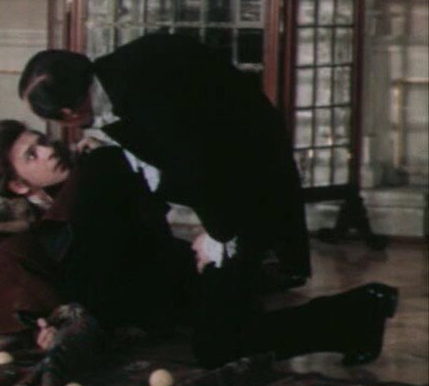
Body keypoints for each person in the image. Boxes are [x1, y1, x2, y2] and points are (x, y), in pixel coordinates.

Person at [0, 120, 398, 368]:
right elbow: (20, 288)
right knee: (225, 343)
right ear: (18, 185)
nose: (48, 151)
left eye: (41, 142)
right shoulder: (34, 222)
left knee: (222, 345)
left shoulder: (97, 171)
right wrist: (43, 324)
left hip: (180, 276)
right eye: (32, 155)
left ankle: (361, 310)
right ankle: (360, 313)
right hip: (158, 295)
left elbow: (130, 244)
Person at [18, 34, 310, 291]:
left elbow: (198, 164)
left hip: (247, 161)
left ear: (68, 114)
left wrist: (216, 237)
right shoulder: (114, 75)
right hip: (235, 154)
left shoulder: (139, 92)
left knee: (232, 286)